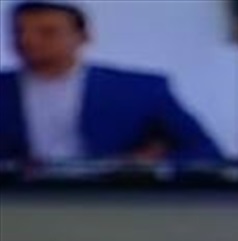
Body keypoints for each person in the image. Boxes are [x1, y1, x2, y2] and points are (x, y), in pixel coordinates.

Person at [0, 0, 224, 165]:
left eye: (47, 33)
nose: (27, 40)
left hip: (115, 200)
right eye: (19, 32)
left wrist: (146, 166)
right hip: (18, 200)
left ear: (83, 37)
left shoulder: (139, 90)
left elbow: (205, 151)